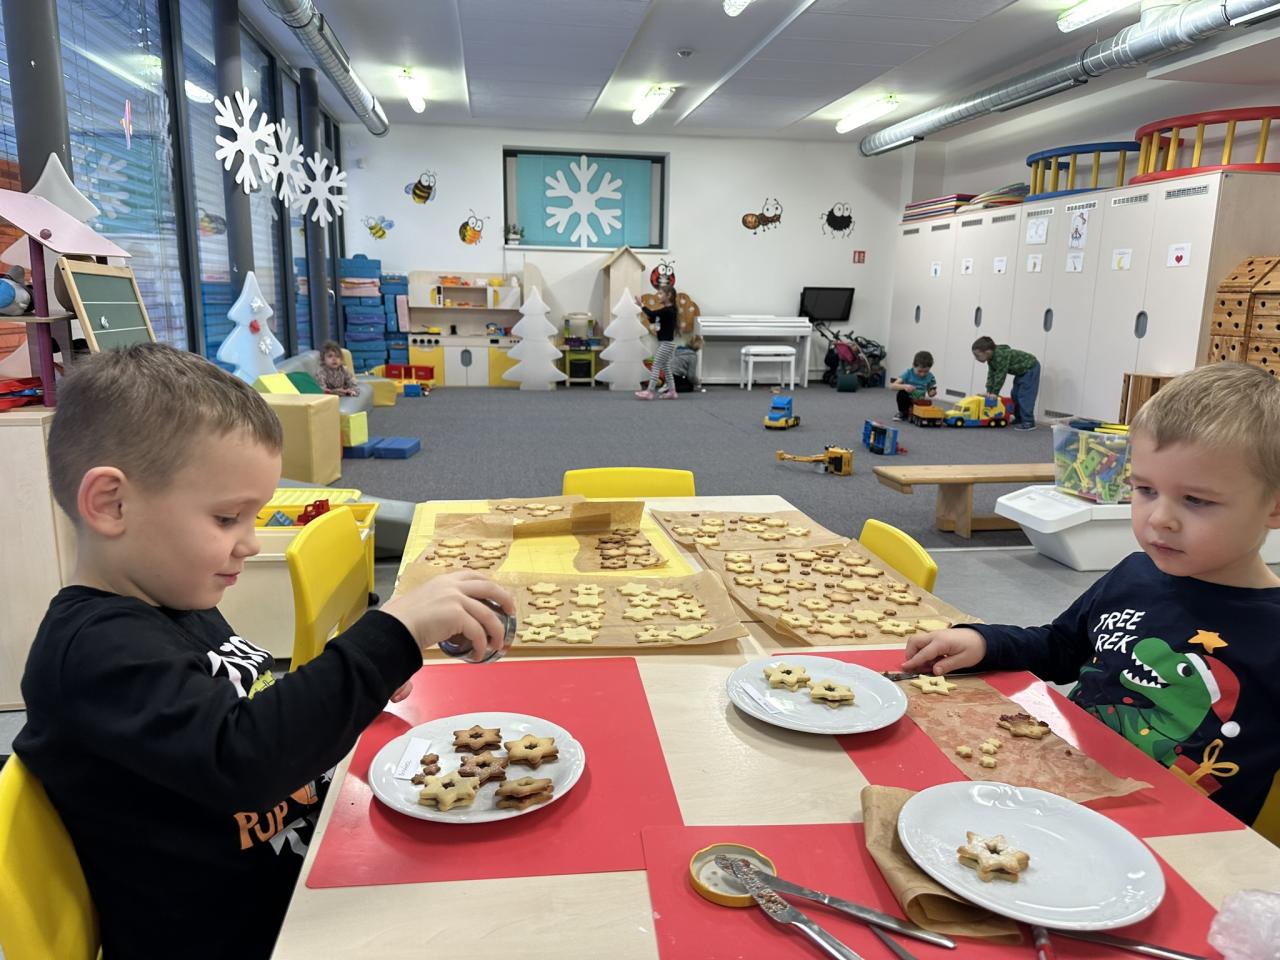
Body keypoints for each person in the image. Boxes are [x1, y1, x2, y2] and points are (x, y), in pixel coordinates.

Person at [14, 343, 514, 959]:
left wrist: (350, 690)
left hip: (303, 881)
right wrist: (388, 637)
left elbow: (247, 708)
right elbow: (242, 758)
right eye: (228, 519)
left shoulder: (174, 601)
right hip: (248, 938)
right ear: (111, 504)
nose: (250, 543)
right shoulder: (92, 655)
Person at [901, 363, 1280, 842]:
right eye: (1145, 490)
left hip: (1177, 844)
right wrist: (984, 642)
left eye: (1196, 500)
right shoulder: (1134, 575)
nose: (1159, 518)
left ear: (1274, 506)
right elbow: (1060, 645)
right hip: (1060, 796)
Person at [972, 335, 1039, 430]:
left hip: (1030, 368)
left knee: (1024, 396)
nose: (976, 358)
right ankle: (1019, 418)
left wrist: (995, 393)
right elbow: (991, 374)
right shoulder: (991, 359)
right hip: (1021, 372)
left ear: (987, 352)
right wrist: (989, 391)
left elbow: (1001, 374)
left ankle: (1029, 421)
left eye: (977, 355)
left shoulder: (1000, 356)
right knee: (1015, 394)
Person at [636, 286, 679, 400]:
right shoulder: (666, 310)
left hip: (666, 344)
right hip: (666, 343)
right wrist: (650, 314)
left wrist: (641, 305)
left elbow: (652, 315)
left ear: (668, 295)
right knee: (666, 368)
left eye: (660, 293)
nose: (657, 296)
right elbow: (653, 318)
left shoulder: (669, 310)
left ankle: (649, 392)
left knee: (655, 366)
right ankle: (672, 391)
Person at [889, 350, 937, 421]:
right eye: (919, 371)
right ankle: (902, 412)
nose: (922, 374)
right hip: (908, 400)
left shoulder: (930, 376)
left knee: (928, 406)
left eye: (926, 371)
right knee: (901, 394)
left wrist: (932, 393)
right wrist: (905, 386)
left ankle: (913, 412)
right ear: (913, 366)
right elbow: (892, 386)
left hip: (920, 401)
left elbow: (930, 393)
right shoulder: (908, 373)